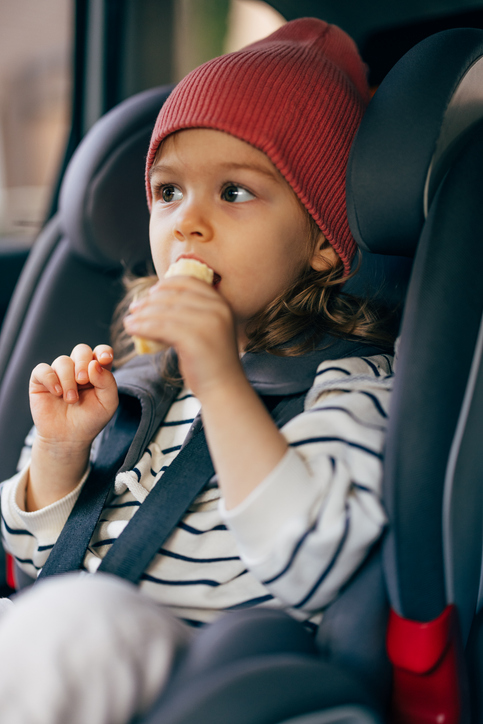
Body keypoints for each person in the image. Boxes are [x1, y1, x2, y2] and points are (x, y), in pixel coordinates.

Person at [0, 17, 395, 724]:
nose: (186, 224)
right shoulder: (142, 380)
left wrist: (221, 380)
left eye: (234, 192)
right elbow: (33, 556)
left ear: (323, 244)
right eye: (167, 192)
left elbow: (319, 561)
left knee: (75, 622)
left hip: (207, 663)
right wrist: (60, 455)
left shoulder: (349, 387)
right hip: (79, 646)